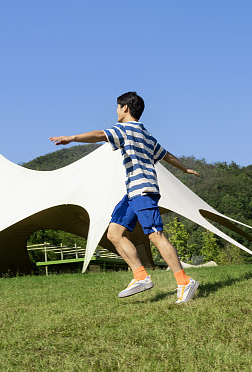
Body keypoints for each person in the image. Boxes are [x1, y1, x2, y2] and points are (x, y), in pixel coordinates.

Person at [50, 91, 202, 303]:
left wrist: (72, 138)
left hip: (144, 190)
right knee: (114, 233)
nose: (115, 111)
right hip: (132, 192)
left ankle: (185, 281)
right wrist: (185, 168)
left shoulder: (125, 128)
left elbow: (101, 134)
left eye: (117, 107)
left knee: (155, 235)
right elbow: (166, 155)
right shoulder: (146, 134)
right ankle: (141, 276)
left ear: (125, 108)